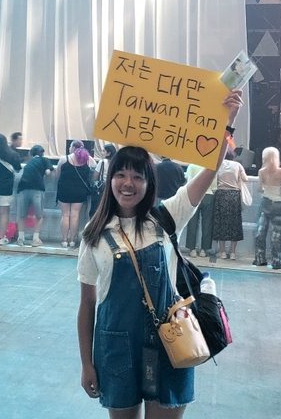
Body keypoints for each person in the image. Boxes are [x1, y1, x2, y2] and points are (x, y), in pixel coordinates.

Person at [77, 90, 243, 417]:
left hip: (171, 343)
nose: (128, 183)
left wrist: (228, 123)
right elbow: (87, 305)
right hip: (115, 348)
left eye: (137, 176)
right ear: (110, 179)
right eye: (121, 174)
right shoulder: (93, 235)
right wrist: (86, 363)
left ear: (148, 182)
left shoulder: (166, 217)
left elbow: (209, 170)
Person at [253, 147, 281, 270]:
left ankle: (260, 259)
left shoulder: (261, 171)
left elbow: (259, 189)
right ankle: (276, 261)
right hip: (279, 204)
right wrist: (280, 188)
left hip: (266, 202)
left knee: (261, 230)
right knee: (277, 233)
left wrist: (267, 189)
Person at [56, 140, 95, 248]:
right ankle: (73, 240)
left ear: (73, 147)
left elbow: (58, 175)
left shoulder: (64, 159)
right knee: (75, 215)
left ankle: (64, 240)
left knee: (65, 215)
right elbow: (94, 170)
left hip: (64, 190)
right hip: (80, 191)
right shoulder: (88, 159)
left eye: (70, 146)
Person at [0, 133, 21, 245]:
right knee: (4, 213)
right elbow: (18, 168)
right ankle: (1, 238)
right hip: (7, 186)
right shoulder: (13, 154)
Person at [212, 150, 248, 260]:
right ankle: (232, 253)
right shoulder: (238, 165)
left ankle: (222, 252)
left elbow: (214, 179)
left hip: (221, 195)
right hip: (234, 195)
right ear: (233, 156)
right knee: (234, 223)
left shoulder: (218, 164)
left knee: (220, 222)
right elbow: (245, 179)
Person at [16, 144, 54, 247]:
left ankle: (20, 238)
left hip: (22, 188)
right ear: (42, 153)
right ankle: (35, 239)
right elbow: (48, 172)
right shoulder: (44, 160)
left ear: (31, 154)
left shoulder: (29, 162)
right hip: (37, 188)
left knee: (22, 215)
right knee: (39, 215)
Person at [183, 163, 216, 258]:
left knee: (192, 222)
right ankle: (204, 250)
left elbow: (189, 181)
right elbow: (214, 186)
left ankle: (192, 249)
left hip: (194, 194)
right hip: (208, 195)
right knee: (207, 223)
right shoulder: (211, 165)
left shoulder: (192, 165)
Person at [90, 144, 117, 217]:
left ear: (109, 153)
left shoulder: (102, 162)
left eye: (103, 151)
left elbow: (95, 177)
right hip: (114, 188)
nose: (102, 152)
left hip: (102, 188)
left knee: (98, 209)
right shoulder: (117, 163)